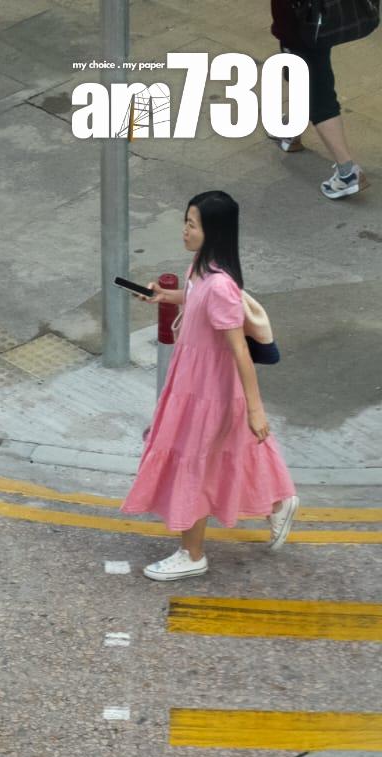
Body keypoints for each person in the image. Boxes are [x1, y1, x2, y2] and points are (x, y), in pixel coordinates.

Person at [124, 192, 299, 579]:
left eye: (192, 224)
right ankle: (278, 503)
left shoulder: (221, 285)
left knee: (195, 464)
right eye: (185, 221)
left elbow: (239, 351)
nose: (184, 230)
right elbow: (194, 300)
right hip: (193, 382)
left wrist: (255, 409)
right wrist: (162, 295)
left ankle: (192, 554)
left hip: (212, 391)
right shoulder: (200, 270)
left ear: (213, 231)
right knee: (229, 455)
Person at [268, 0, 370, 199]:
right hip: (317, 18)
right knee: (303, 72)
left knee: (317, 95)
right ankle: (291, 131)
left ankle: (347, 172)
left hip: (301, 19)